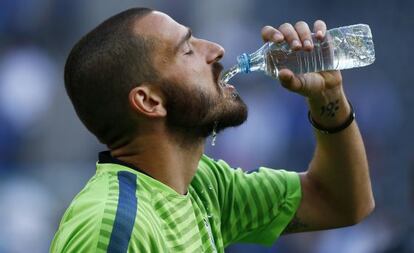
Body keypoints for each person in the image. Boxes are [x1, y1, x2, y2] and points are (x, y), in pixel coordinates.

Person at [50, 7, 375, 253]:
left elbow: (342, 203)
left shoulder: (204, 185)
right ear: (149, 101)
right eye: (188, 49)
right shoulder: (112, 228)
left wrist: (327, 97)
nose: (217, 50)